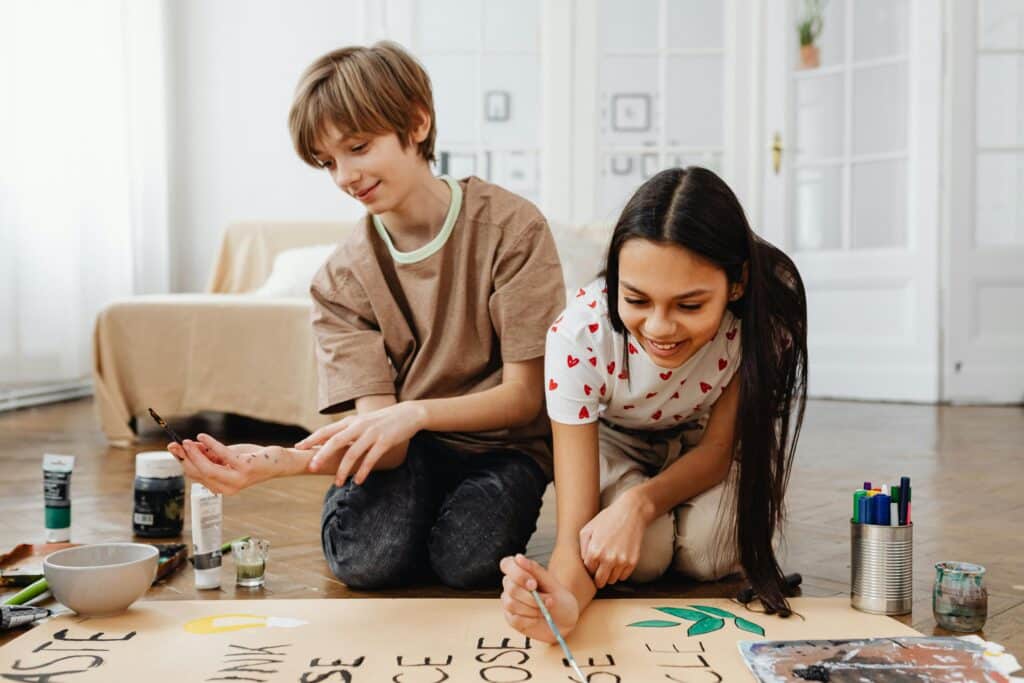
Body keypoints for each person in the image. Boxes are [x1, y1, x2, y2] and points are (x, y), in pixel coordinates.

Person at [170, 41, 565, 590]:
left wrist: (416, 413)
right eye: (328, 161)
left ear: (418, 123)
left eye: (358, 146)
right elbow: (388, 440)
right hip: (404, 452)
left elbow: (526, 398)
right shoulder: (340, 280)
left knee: (468, 564)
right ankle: (407, 513)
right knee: (366, 562)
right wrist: (273, 462)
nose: (345, 176)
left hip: (502, 450)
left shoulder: (512, 230)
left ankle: (431, 518)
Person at [498, 167, 808, 643]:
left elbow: (718, 451)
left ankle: (659, 515)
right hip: (615, 442)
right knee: (643, 557)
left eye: (689, 306)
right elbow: (572, 534)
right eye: (637, 299)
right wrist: (562, 602)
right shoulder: (578, 336)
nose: (660, 328)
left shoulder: (760, 323)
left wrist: (640, 505)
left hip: (699, 444)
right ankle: (656, 523)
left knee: (708, 551)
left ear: (738, 284)